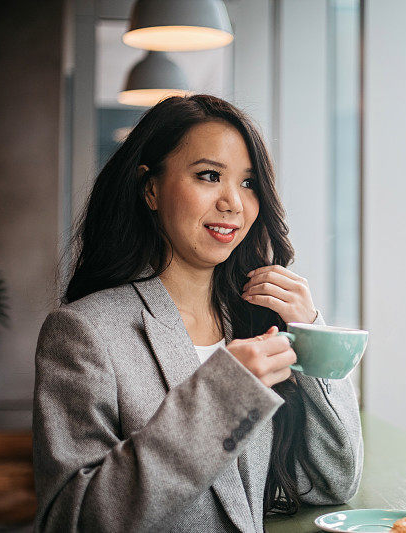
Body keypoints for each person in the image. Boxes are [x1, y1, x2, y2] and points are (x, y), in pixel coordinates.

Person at [32, 94, 363, 532]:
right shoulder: (82, 333)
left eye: (248, 183)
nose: (234, 203)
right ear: (150, 188)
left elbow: (331, 483)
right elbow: (71, 520)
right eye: (209, 176)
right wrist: (223, 394)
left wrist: (313, 338)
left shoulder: (251, 323)